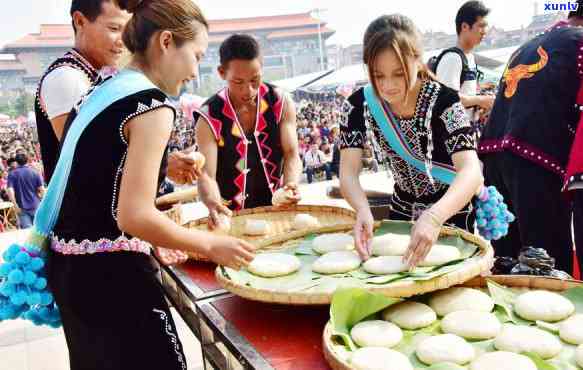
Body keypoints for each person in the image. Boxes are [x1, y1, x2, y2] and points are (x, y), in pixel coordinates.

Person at [44, 1, 255, 369]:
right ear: (167, 42)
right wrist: (211, 244)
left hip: (72, 273)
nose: (195, 70)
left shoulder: (105, 87)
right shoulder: (152, 104)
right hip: (114, 279)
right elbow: (134, 215)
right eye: (197, 55)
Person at [340, 14, 483, 267]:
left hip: (451, 211)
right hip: (401, 212)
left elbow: (470, 170)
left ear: (418, 61)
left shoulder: (445, 101)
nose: (388, 86)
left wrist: (434, 218)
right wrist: (362, 209)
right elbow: (348, 172)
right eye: (378, 75)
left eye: (398, 73)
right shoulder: (357, 105)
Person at [35, 0, 198, 186]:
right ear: (80, 21)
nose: (124, 41)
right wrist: (164, 164)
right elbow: (91, 161)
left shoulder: (96, 75)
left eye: (128, 31)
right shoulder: (67, 78)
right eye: (114, 28)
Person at [479, 5, 583, 274]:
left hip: (494, 156)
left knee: (506, 261)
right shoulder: (580, 43)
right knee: (547, 266)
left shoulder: (528, 44)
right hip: (537, 160)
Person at [195, 34, 302, 227]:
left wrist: (291, 185)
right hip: (230, 217)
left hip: (277, 212)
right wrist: (213, 203)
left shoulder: (281, 102)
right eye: (238, 82)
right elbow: (206, 175)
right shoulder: (209, 116)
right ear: (221, 73)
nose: (249, 90)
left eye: (255, 79)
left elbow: (292, 153)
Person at [433, 1, 494, 135]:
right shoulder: (452, 59)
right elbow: (446, 101)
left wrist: (479, 103)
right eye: (481, 26)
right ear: (465, 26)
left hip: (469, 131)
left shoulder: (470, 58)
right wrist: (482, 100)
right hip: (453, 139)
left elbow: (464, 96)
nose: (484, 32)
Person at [5, 153, 44, 228]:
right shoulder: (34, 172)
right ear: (27, 160)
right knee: (39, 230)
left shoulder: (12, 174)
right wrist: (42, 202)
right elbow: (42, 189)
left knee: (28, 232)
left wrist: (15, 205)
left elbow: (10, 190)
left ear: (16, 162)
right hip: (36, 205)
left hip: (21, 207)